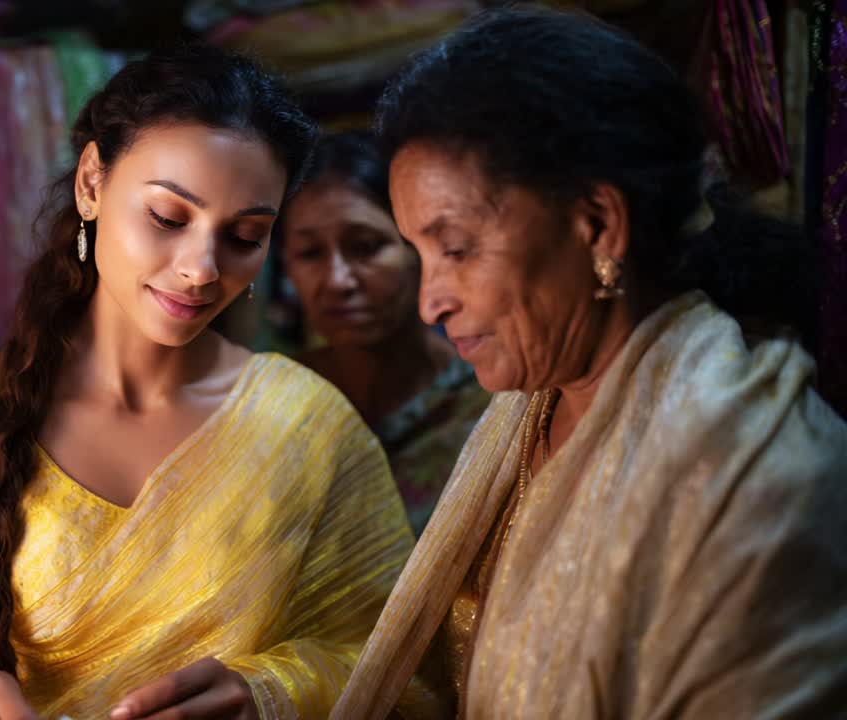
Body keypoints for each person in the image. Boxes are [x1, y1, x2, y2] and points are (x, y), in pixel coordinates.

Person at [0, 45, 414, 720]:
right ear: (92, 182)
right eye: (169, 219)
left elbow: (406, 665)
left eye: (244, 236)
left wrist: (270, 693)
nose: (201, 269)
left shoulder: (309, 425)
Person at [333, 9, 847, 719]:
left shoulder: (758, 475)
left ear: (598, 224)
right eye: (418, 255)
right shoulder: (524, 411)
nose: (429, 305)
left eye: (455, 249)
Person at [279, 131, 489, 533]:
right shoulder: (272, 402)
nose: (338, 280)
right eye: (310, 254)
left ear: (420, 251)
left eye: (366, 246)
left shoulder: (487, 408)